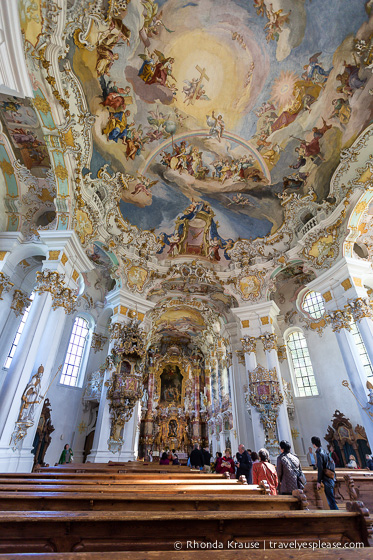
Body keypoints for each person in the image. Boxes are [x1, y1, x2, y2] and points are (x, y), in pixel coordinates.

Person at [311, 436, 339, 510]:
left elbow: (320, 468)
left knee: (331, 501)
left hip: (326, 478)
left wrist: (318, 481)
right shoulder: (324, 451)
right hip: (330, 477)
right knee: (331, 500)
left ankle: (338, 516)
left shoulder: (319, 452)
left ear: (314, 444)